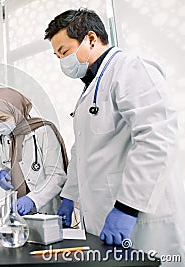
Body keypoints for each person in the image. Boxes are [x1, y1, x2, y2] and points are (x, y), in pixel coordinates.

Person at [44, 8, 185, 262]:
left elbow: (157, 138)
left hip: (140, 222)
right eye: (57, 56)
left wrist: (127, 208)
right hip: (102, 221)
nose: (61, 62)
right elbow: (82, 153)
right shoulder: (91, 87)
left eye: (64, 52)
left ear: (90, 38)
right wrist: (68, 196)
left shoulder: (131, 69)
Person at [0, 87, 68, 216]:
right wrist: (4, 173)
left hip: (45, 209)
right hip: (16, 208)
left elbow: (57, 176)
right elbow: (8, 166)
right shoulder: (1, 137)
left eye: (3, 119)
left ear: (18, 112)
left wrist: (33, 199)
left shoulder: (44, 132)